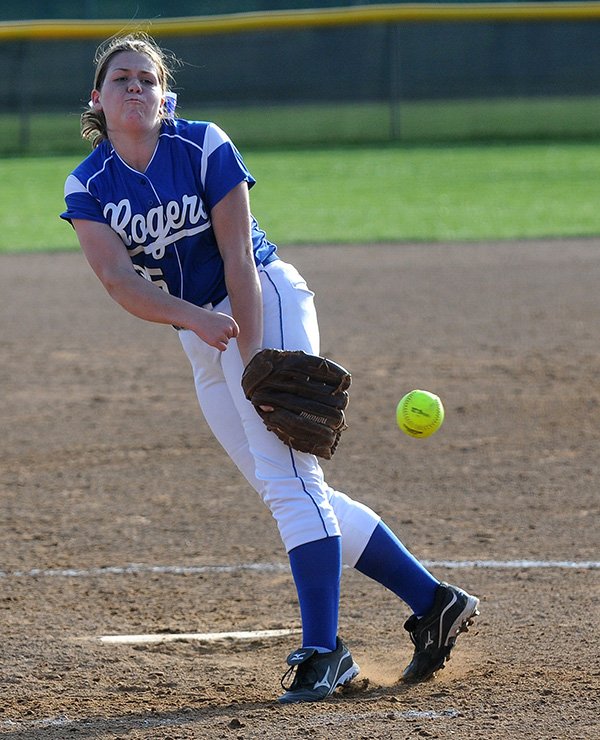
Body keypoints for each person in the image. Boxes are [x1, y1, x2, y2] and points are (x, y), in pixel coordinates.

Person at [60, 33, 480, 704]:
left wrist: (256, 361)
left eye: (147, 78)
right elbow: (117, 281)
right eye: (121, 79)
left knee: (293, 482)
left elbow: (237, 258)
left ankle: (324, 653)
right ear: (98, 100)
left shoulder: (201, 144)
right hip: (200, 329)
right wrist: (196, 324)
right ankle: (434, 603)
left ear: (165, 97)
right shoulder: (89, 183)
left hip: (262, 300)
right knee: (284, 485)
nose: (135, 87)